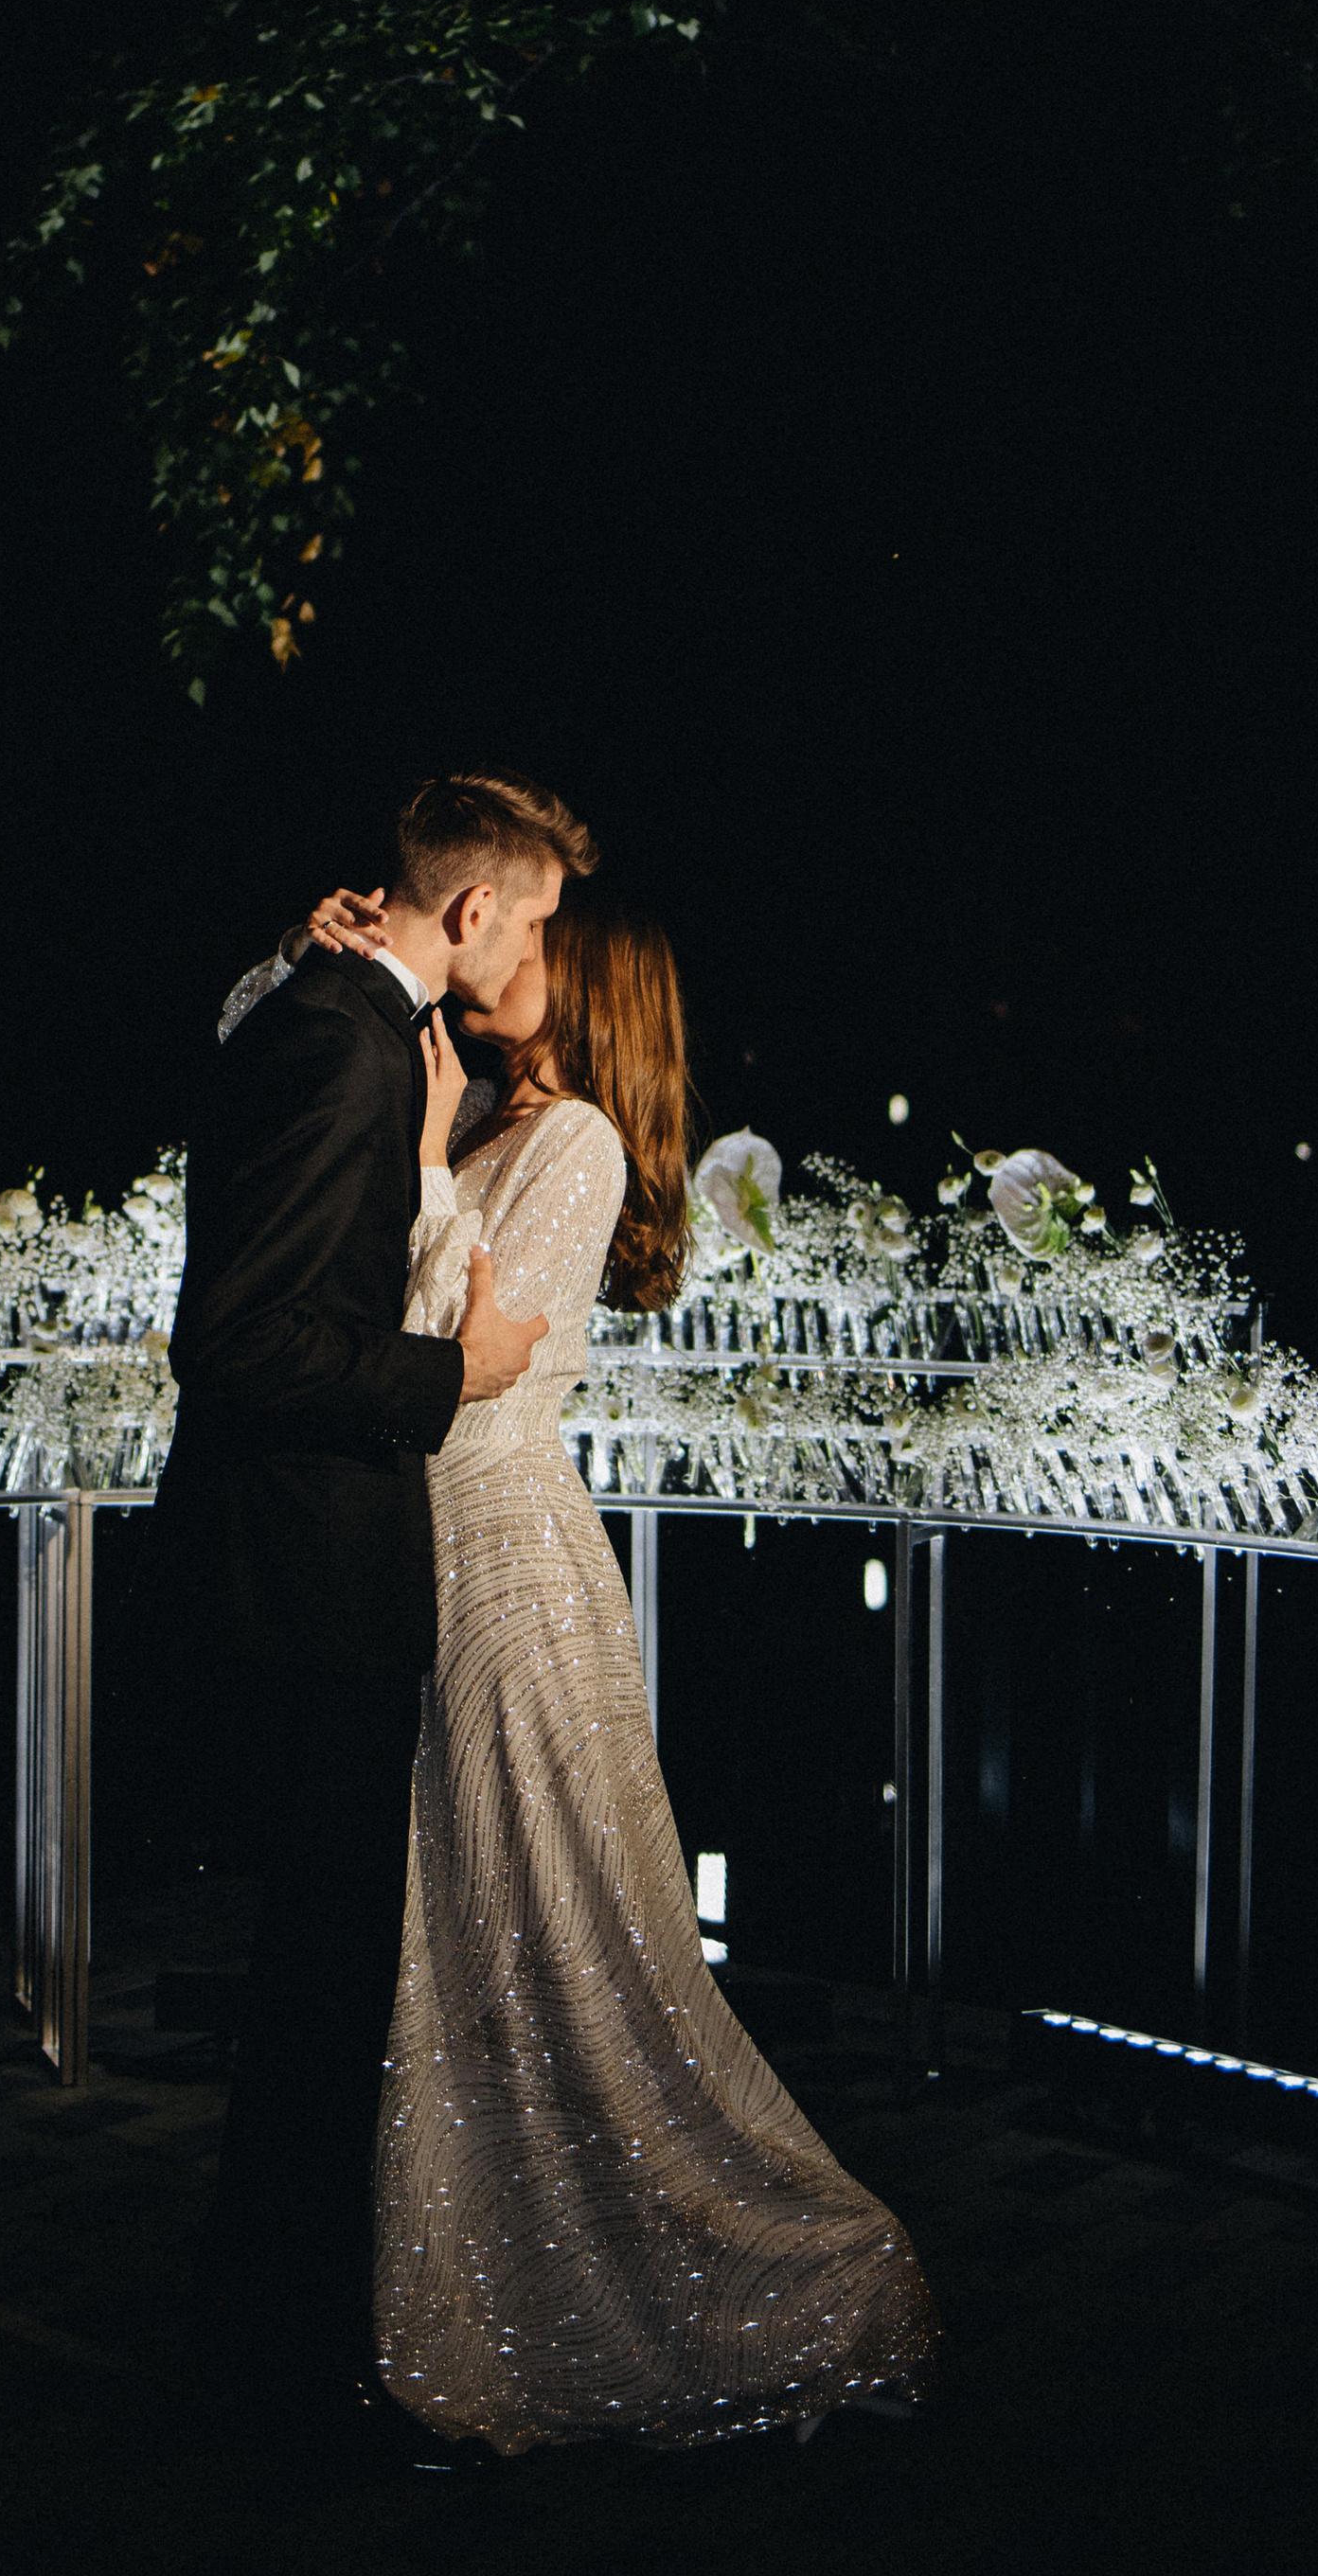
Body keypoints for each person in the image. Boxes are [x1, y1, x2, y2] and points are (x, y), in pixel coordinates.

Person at [247, 872, 940, 2454]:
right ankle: (476, 2270)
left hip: (508, 1572)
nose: (498, 955)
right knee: (474, 1933)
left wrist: (422, 1164)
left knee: (555, 1932)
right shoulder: (496, 1120)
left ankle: (774, 2265)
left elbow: (477, 1365)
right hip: (440, 1561)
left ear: (591, 987)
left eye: (536, 946)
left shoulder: (575, 1143)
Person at [160, 766, 596, 2432]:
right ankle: (284, 2370)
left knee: (322, 1989)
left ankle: (272, 2342)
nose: (544, 947)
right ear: (473, 913)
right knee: (321, 2000)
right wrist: (455, 1366)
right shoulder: (345, 1036)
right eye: (538, 918)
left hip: (308, 1560)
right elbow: (245, 1339)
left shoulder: (331, 1011)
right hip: (311, 1567)